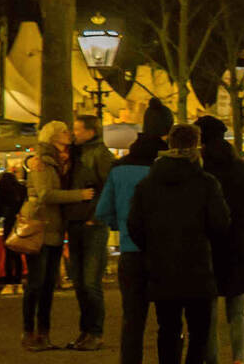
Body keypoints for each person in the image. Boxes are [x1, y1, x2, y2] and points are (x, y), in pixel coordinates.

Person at [128, 124, 230, 364]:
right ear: (197, 145)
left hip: (161, 266)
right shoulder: (206, 183)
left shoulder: (147, 184)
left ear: (170, 144)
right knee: (200, 330)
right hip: (198, 265)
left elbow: (135, 225)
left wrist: (151, 247)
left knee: (167, 328)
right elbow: (220, 223)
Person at [95, 97, 173, 364]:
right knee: (169, 319)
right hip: (165, 253)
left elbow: (103, 210)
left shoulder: (120, 168)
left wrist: (122, 225)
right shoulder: (169, 166)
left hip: (130, 252)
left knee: (132, 320)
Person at [196, 116, 244, 364]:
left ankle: (213, 360)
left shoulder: (200, 172)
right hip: (240, 247)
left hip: (209, 248)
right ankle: (238, 359)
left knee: (209, 315)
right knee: (238, 313)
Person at [22, 121, 95, 351]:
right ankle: (30, 333)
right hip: (40, 226)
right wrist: (79, 195)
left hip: (55, 228)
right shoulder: (43, 161)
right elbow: (45, 194)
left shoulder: (64, 159)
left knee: (47, 285)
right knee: (36, 283)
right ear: (53, 136)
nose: (69, 134)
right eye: (64, 131)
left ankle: (43, 334)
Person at [63, 114, 116, 351]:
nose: (74, 133)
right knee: (80, 281)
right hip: (76, 221)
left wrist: (95, 217)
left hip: (91, 224)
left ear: (90, 132)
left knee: (90, 281)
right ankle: (85, 331)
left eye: (77, 129)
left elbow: (108, 188)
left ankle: (95, 332)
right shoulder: (76, 153)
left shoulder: (100, 155)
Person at [0, 170, 27, 296]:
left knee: (8, 252)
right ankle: (18, 278)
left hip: (8, 222)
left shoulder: (1, 189)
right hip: (19, 221)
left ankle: (9, 278)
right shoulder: (21, 188)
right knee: (17, 251)